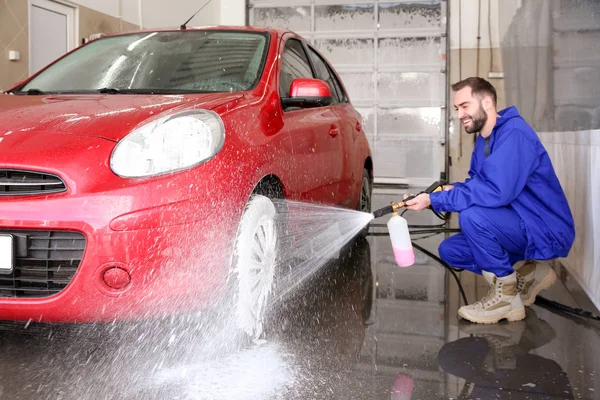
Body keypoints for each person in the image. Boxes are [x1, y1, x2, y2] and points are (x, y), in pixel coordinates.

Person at [405, 77, 575, 324]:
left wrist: (436, 200)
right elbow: (479, 184)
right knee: (451, 251)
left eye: (465, 106)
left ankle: (506, 300)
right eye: (457, 109)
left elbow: (495, 191)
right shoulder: (485, 140)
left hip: (544, 228)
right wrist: (436, 194)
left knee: (473, 216)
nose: (460, 114)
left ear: (486, 101)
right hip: (519, 223)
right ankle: (528, 273)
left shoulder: (514, 134)